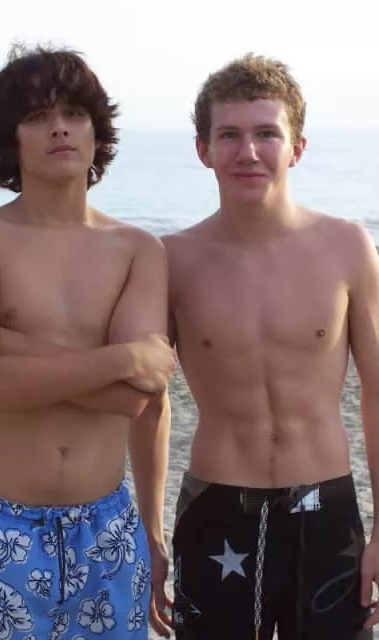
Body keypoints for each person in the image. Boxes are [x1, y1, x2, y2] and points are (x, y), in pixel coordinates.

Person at [0, 44, 176, 639]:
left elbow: (135, 399)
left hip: (106, 529)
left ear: (96, 132)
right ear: (8, 139)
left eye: (74, 113)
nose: (59, 127)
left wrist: (2, 346)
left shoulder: (138, 250)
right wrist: (122, 358)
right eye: (37, 116)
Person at [148, 53, 379, 639]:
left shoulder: (346, 247)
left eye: (266, 134)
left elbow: (378, 393)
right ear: (203, 149)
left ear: (296, 147)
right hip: (216, 508)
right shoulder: (172, 260)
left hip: (326, 513)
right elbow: (149, 400)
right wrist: (150, 533)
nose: (247, 152)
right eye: (229, 134)